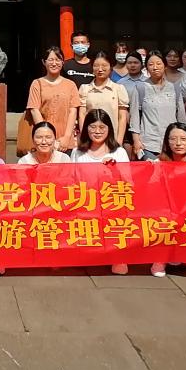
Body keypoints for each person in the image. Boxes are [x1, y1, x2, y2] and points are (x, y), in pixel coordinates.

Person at [70, 109, 130, 275]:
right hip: (86, 201)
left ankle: (118, 257)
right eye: (93, 127)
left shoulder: (119, 152)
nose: (97, 131)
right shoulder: (77, 152)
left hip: (111, 202)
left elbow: (129, 182)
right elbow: (71, 180)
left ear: (109, 129)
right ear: (86, 129)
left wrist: (114, 170)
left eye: (102, 127)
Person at [151, 123, 186, 278]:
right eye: (173, 139)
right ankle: (160, 259)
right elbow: (152, 191)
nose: (178, 143)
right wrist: (151, 170)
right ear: (167, 142)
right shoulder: (159, 163)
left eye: (183, 139)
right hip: (165, 210)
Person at [27, 46, 81, 151]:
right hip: (43, 142)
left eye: (58, 60)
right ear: (44, 62)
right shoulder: (37, 84)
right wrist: (47, 137)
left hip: (65, 142)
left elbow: (73, 112)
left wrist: (66, 137)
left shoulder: (71, 85)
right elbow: (34, 110)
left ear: (62, 62)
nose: (54, 63)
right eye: (51, 60)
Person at [137, 51, 186, 160]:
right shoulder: (140, 88)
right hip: (148, 143)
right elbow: (135, 117)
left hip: (172, 143)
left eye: (158, 63)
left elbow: (181, 117)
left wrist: (183, 138)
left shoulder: (174, 88)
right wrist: (136, 140)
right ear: (146, 68)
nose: (155, 67)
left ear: (165, 65)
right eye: (151, 64)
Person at [79, 52, 131, 151]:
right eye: (96, 66)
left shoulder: (118, 89)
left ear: (111, 67)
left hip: (112, 141)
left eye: (104, 65)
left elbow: (122, 117)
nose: (100, 69)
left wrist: (119, 142)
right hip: (91, 141)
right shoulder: (85, 89)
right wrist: (84, 138)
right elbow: (82, 115)